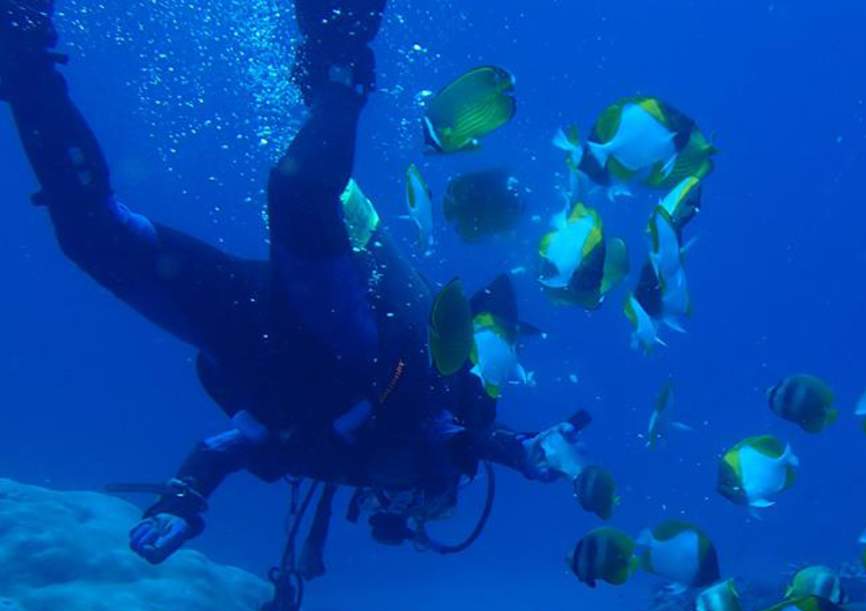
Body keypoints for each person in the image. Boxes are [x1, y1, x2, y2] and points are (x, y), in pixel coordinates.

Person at [0, 0, 582, 567]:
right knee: (297, 193)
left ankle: (24, 57)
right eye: (437, 504)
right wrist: (526, 453)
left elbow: (218, 451)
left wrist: (184, 502)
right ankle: (342, 50)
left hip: (250, 329)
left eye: (416, 514)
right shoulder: (431, 435)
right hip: (342, 328)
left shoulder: (327, 462)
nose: (410, 501)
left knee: (90, 235)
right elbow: (473, 439)